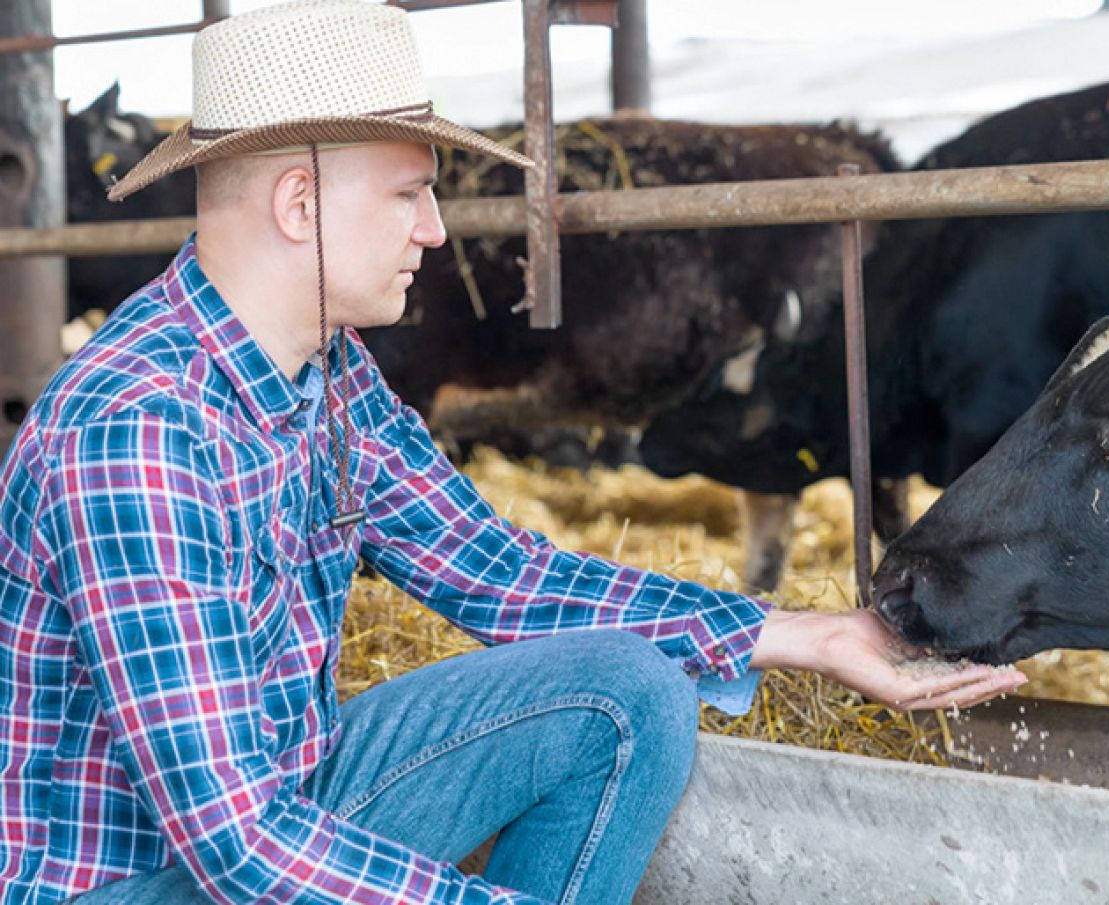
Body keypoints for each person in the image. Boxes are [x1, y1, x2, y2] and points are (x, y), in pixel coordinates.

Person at [0, 2, 1026, 903]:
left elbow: (498, 570)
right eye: (409, 194)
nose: (436, 231)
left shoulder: (330, 372)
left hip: (282, 801)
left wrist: (808, 632)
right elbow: (236, 841)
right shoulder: (139, 428)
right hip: (138, 878)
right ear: (299, 205)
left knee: (627, 691)